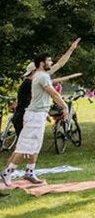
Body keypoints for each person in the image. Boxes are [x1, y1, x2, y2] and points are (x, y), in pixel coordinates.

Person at [2, 50, 76, 187]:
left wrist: (71, 49)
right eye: (49, 61)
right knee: (25, 147)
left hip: (38, 114)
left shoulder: (41, 75)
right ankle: (8, 172)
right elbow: (53, 93)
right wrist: (65, 106)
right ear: (42, 63)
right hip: (34, 116)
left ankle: (29, 172)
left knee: (35, 146)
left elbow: (60, 64)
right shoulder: (41, 76)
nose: (51, 63)